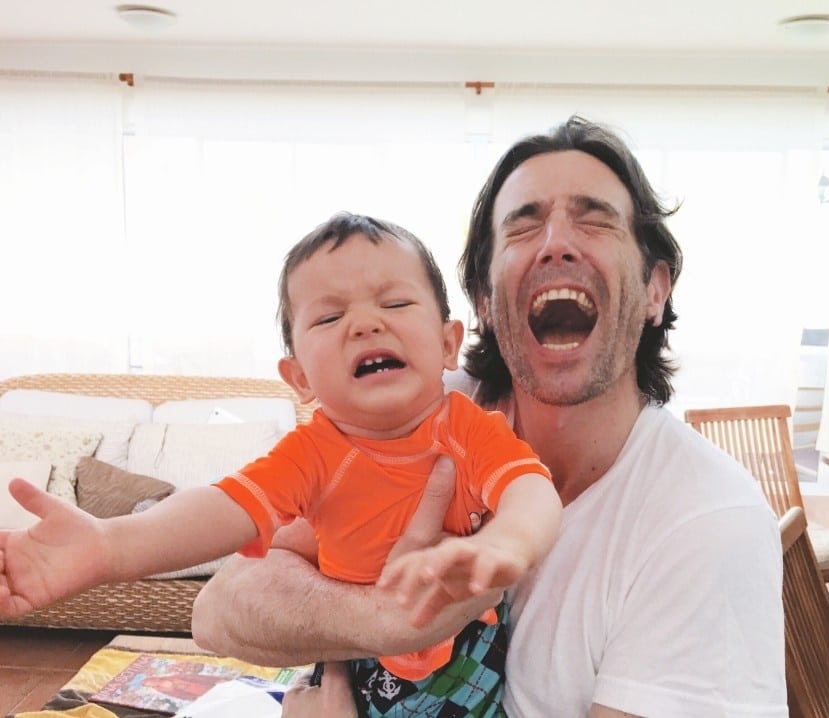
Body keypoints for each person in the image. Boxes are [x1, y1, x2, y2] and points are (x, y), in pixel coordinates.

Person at [192, 116, 788, 717]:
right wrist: (387, 622)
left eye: (595, 218)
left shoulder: (708, 522)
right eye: (523, 224)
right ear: (483, 300)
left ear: (654, 291)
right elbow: (219, 610)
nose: (557, 241)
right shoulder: (418, 416)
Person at [0, 212, 562, 718]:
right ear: (299, 380)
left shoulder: (468, 429)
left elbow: (530, 489)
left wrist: (504, 543)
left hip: (465, 651)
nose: (364, 324)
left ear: (447, 343)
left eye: (393, 303)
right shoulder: (311, 453)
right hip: (350, 655)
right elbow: (221, 508)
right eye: (329, 317)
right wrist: (109, 547)